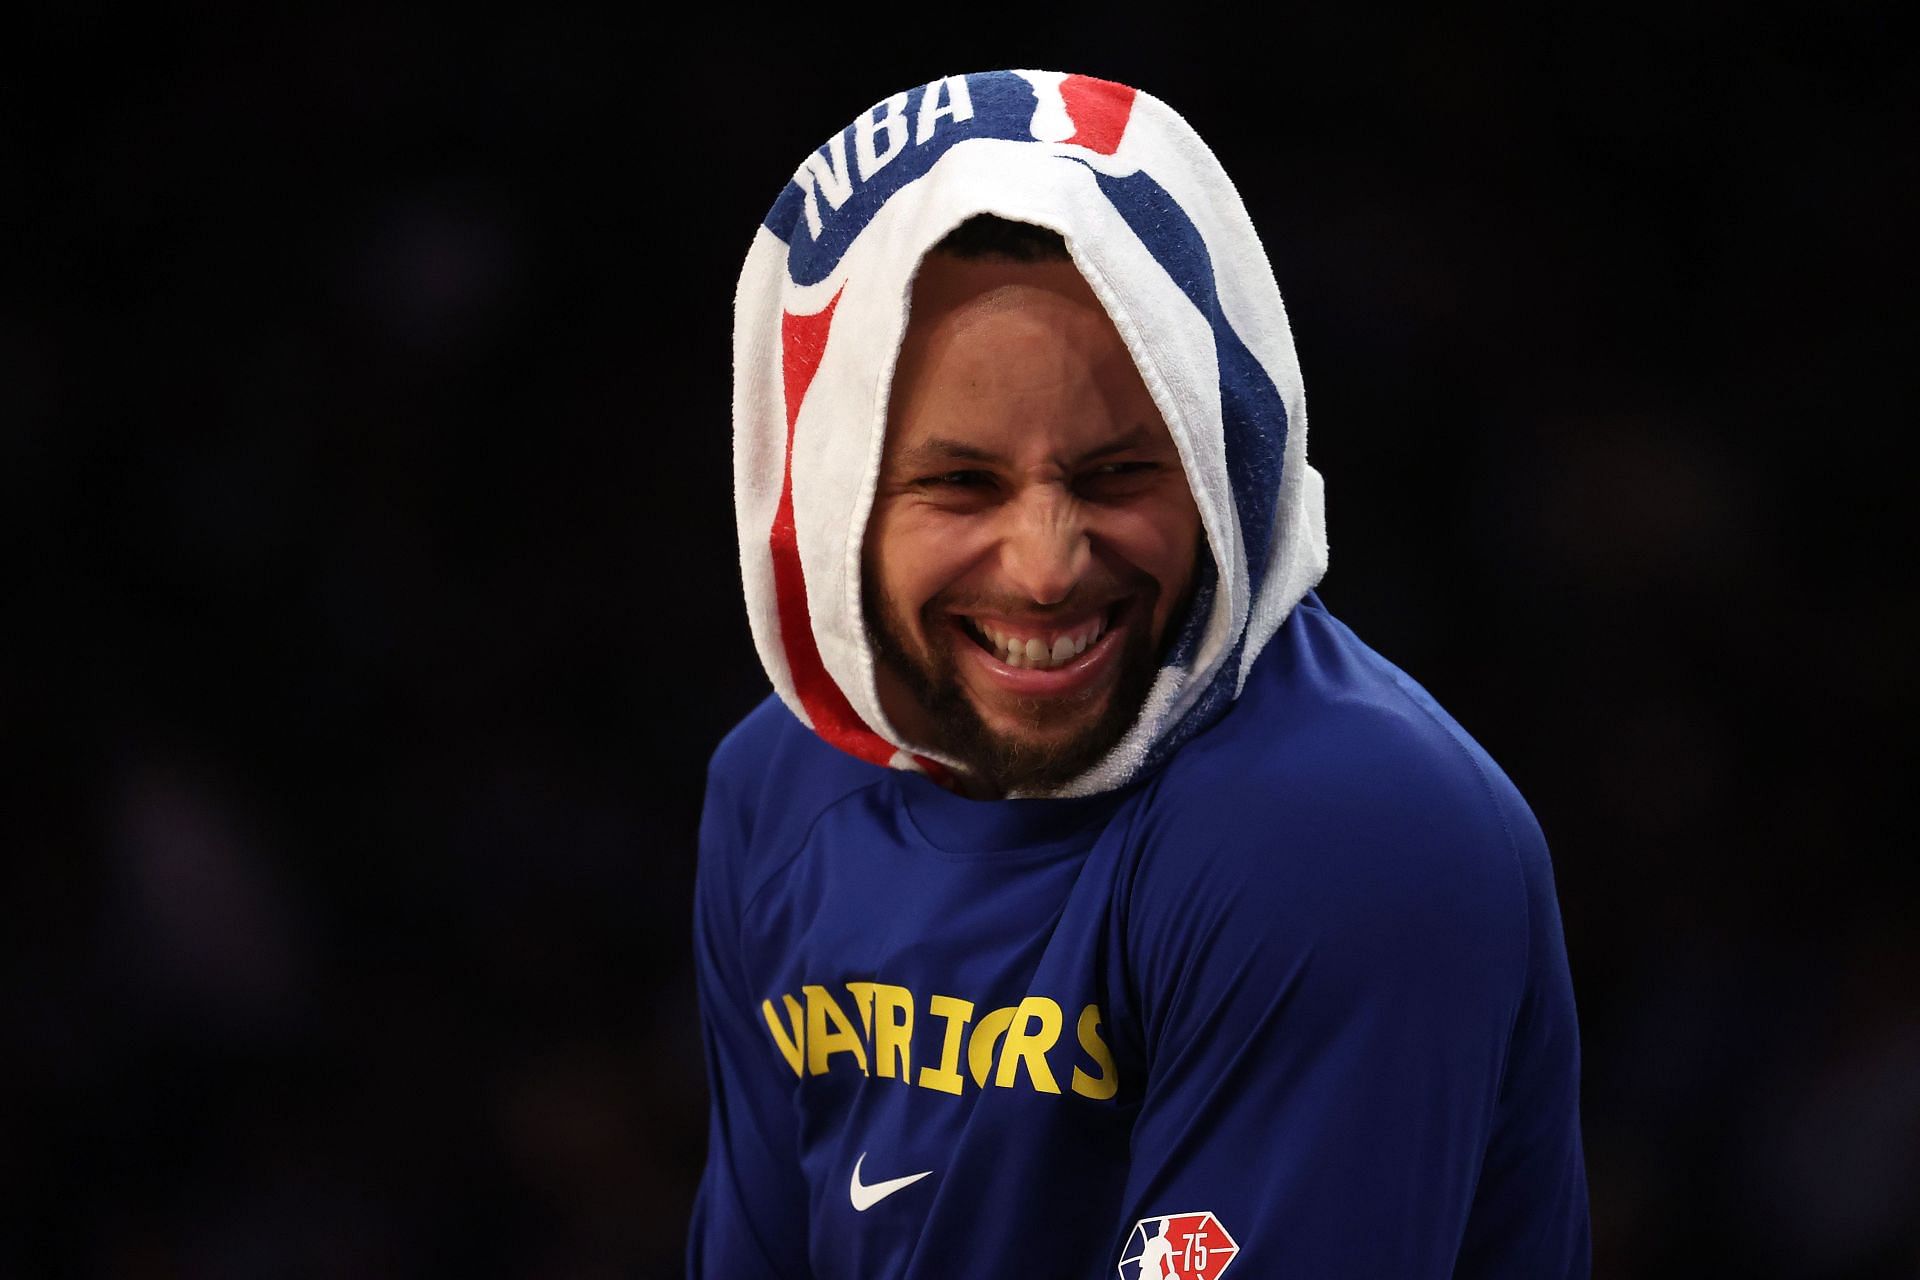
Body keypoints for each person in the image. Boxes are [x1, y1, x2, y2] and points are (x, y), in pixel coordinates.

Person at [690, 70, 1589, 1279]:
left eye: (1120, 475)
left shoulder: (1356, 828)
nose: (1049, 566)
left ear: (1233, 462)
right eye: (962, 484)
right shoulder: (776, 786)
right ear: (834, 496)